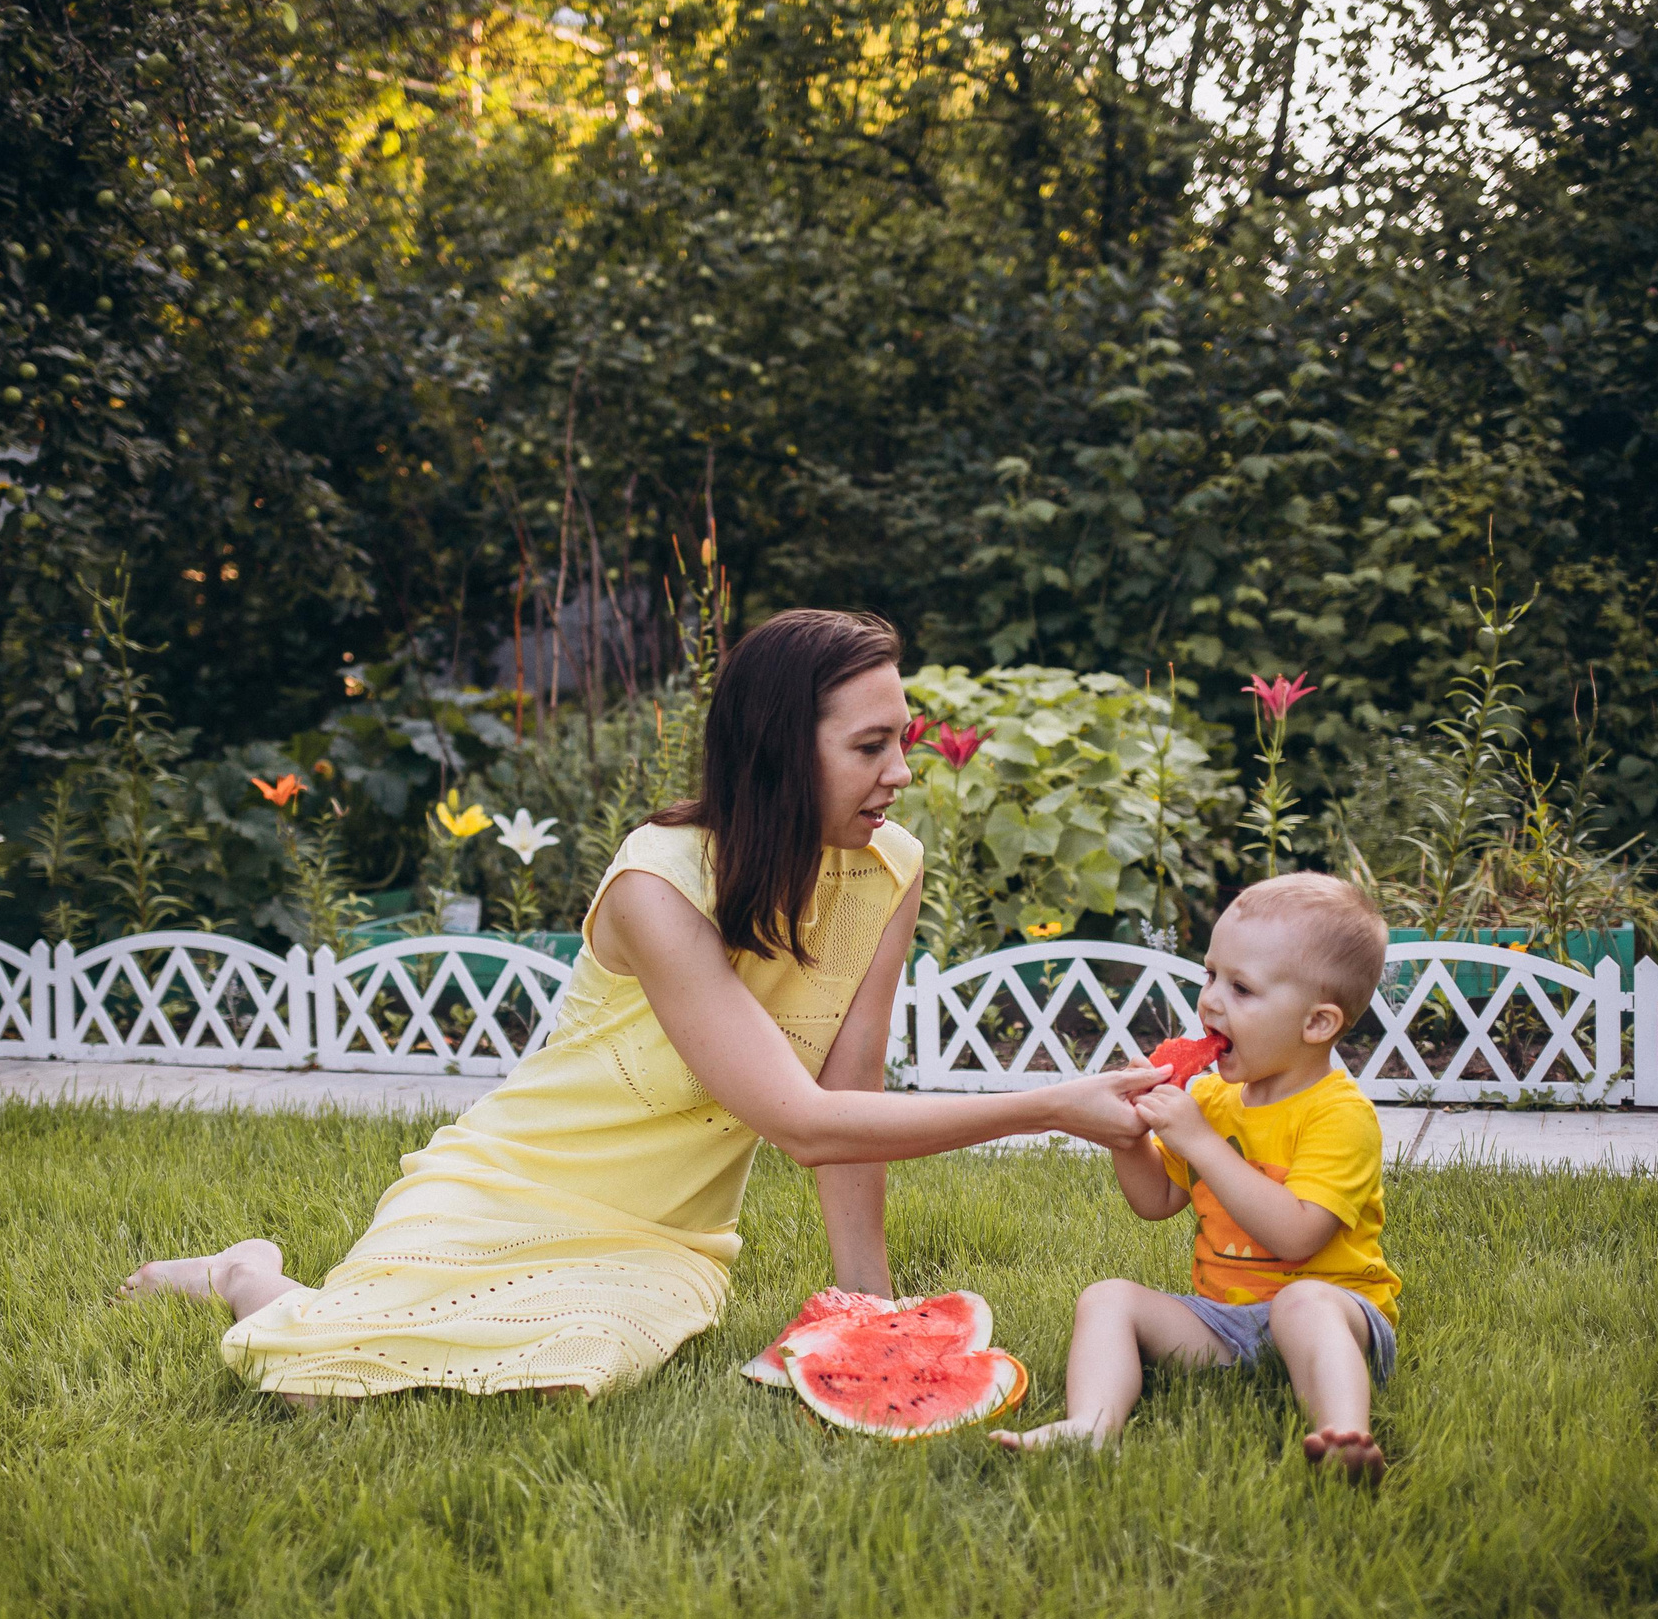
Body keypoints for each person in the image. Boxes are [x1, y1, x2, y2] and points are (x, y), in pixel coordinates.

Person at [120, 609, 1164, 1402]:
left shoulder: (890, 867)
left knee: (578, 1364)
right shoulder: (657, 885)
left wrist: (870, 1306)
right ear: (775, 749)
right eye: (867, 747)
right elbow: (799, 1123)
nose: (900, 773)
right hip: (510, 1185)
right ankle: (248, 1273)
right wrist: (1050, 1104)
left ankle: (330, 1289)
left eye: (904, 740)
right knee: (325, 1366)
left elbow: (850, 1083)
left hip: (662, 1238)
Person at [992, 873, 1402, 1479]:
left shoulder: (1340, 1115)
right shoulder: (1211, 1098)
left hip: (1338, 1315)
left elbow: (1297, 1236)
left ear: (1316, 1023)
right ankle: (1091, 1426)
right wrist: (1129, 1136)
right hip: (1226, 1323)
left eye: (1241, 988)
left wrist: (1203, 1144)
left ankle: (1342, 1435)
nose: (1210, 1002)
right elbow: (1157, 1200)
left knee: (1301, 1303)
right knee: (1107, 1299)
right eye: (1210, 975)